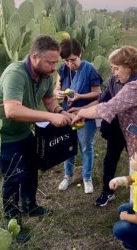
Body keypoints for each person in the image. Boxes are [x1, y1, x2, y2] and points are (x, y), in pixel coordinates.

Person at [0, 35, 72, 241]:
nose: (54, 67)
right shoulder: (15, 73)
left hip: (22, 130)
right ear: (34, 57)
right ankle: (13, 223)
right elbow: (12, 110)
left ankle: (30, 205)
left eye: (56, 62)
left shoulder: (46, 76)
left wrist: (61, 111)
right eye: (50, 62)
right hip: (1, 133)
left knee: (33, 166)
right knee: (14, 176)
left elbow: (50, 101)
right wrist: (51, 117)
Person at [71, 46, 137, 200]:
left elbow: (108, 107)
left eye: (116, 69)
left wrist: (80, 113)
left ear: (129, 66)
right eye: (112, 69)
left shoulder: (135, 87)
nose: (114, 73)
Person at [56, 38, 103, 194]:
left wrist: (79, 96)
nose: (70, 64)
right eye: (67, 60)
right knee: (68, 146)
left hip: (85, 114)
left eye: (73, 60)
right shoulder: (62, 70)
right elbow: (57, 88)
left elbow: (98, 94)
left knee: (85, 146)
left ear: (79, 54)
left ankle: (87, 178)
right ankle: (68, 176)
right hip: (67, 114)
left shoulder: (89, 69)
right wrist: (58, 94)